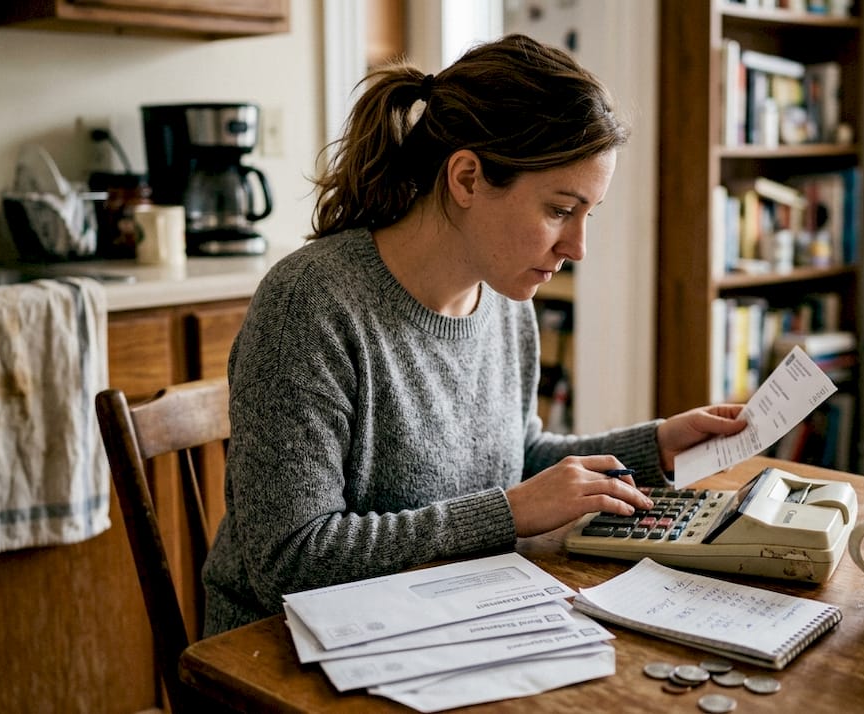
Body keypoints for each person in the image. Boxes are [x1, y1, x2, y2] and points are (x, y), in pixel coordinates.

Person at [202, 34, 747, 636]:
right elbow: (290, 562)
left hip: (439, 618)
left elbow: (513, 456)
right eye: (560, 210)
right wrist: (509, 513)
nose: (578, 247)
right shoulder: (310, 304)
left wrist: (657, 444)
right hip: (279, 654)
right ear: (466, 178)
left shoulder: (504, 298)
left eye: (588, 214)